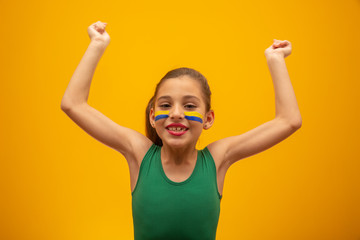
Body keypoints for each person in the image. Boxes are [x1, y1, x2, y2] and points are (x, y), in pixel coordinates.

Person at [61, 21, 302, 240]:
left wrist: (276, 59)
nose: (176, 113)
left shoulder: (218, 159)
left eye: (189, 105)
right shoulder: (139, 154)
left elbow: (288, 121)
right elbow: (73, 104)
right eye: (166, 105)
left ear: (208, 118)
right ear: (153, 116)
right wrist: (97, 44)